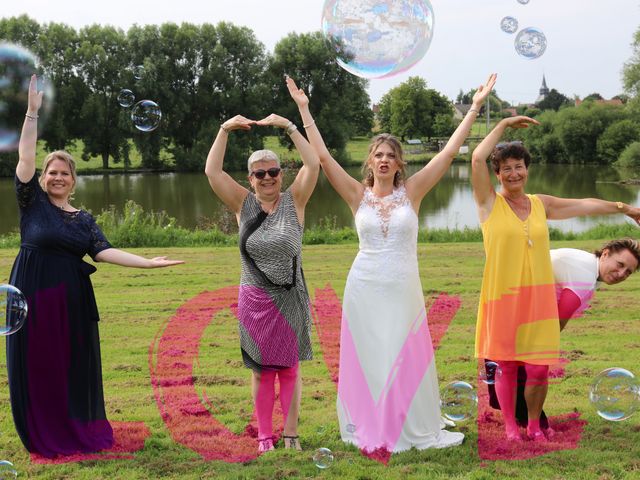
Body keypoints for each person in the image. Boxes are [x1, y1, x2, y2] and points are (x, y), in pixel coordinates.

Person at [287, 73, 497, 452]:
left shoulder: (412, 192)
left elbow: (449, 153)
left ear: (399, 164)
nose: (384, 160)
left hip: (402, 287)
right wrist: (304, 109)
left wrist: (476, 107)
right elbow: (322, 157)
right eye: (378, 155)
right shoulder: (356, 194)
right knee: (369, 356)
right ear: (371, 161)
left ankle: (407, 425)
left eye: (390, 156)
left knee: (404, 354)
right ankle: (370, 423)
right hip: (364, 286)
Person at [7, 75, 184, 458]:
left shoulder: (83, 219)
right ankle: (41, 432)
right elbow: (24, 155)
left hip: (69, 302)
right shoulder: (31, 203)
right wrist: (32, 113)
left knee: (68, 366)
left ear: (73, 181)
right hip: (30, 296)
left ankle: (72, 427)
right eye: (51, 171)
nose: (56, 177)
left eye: (64, 173)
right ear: (42, 177)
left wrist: (148, 263)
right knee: (36, 364)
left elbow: (104, 252)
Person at [471, 116, 640, 442]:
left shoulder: (540, 204)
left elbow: (583, 205)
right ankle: (510, 428)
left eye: (519, 166)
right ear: (497, 174)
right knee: (506, 366)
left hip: (538, 299)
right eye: (506, 168)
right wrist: (503, 124)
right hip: (502, 295)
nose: (514, 173)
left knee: (537, 369)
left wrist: (623, 207)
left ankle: (534, 425)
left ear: (527, 168)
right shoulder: (488, 203)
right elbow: (477, 157)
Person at [204, 108, 320, 453]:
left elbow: (313, 165)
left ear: (281, 174)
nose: (267, 177)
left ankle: (291, 434)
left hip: (290, 298)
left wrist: (288, 126)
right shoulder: (243, 204)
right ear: (250, 178)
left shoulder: (295, 200)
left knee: (289, 370)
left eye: (273, 171)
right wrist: (224, 129)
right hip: (255, 299)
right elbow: (212, 171)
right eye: (260, 173)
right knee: (260, 372)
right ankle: (265, 435)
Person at [485, 238, 640, 429]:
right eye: (620, 265)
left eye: (628, 272)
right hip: (511, 303)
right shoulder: (585, 273)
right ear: (606, 253)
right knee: (526, 369)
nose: (621, 274)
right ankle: (523, 425)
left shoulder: (590, 266)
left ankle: (527, 423)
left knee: (527, 369)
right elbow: (555, 323)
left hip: (516, 302)